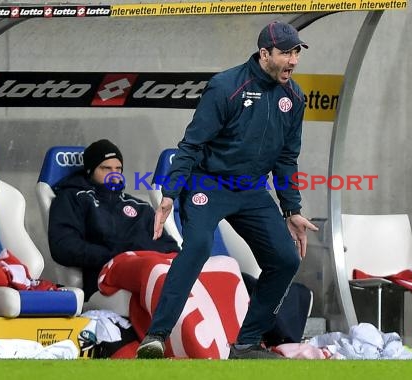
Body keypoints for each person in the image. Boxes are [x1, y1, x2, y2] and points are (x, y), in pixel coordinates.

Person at [136, 21, 319, 360]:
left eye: (296, 52)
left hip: (251, 189)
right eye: (285, 52)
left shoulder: (294, 97)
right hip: (208, 182)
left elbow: (286, 157)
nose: (293, 60)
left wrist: (291, 209)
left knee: (284, 259)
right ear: (265, 54)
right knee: (198, 247)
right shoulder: (225, 87)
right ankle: (156, 336)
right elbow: (191, 144)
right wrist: (169, 194)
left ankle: (247, 344)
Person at [48, 139, 180, 300]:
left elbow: (169, 246)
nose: (113, 174)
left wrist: (138, 252)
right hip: (105, 278)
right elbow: (64, 246)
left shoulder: (139, 206)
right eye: (106, 168)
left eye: (118, 169)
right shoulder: (72, 198)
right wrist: (117, 254)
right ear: (90, 170)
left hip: (149, 270)